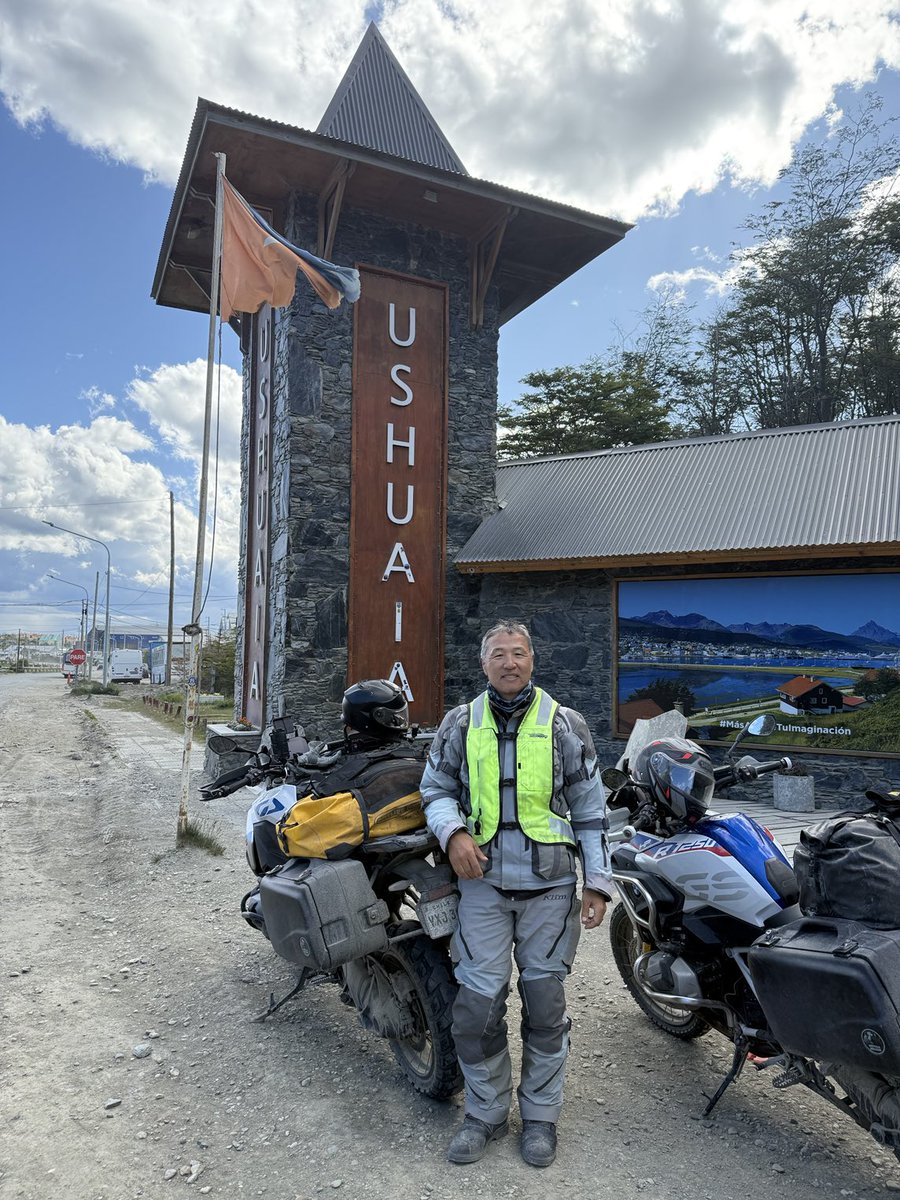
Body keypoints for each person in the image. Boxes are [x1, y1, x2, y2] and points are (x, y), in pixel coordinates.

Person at [420, 619, 613, 1168]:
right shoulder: (460, 723)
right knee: (476, 1010)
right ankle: (484, 1112)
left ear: (532, 660)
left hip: (551, 890)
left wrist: (596, 882)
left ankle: (541, 1118)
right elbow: (435, 789)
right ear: (483, 665)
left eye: (519, 653)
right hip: (481, 888)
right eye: (499, 654)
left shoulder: (566, 725)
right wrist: (452, 832)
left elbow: (592, 811)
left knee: (545, 1006)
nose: (510, 663)